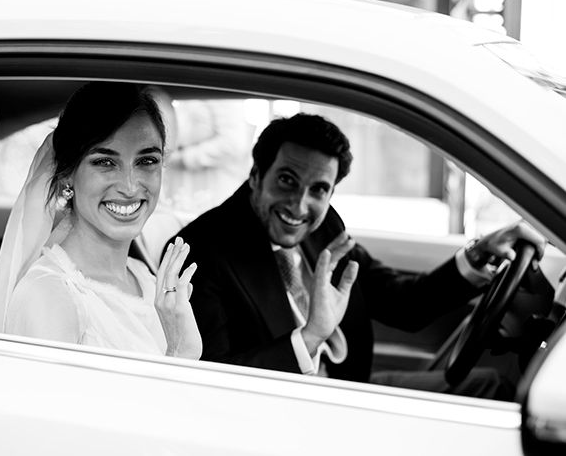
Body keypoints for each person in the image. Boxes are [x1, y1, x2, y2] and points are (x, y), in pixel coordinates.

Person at [170, 113, 550, 398]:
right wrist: (311, 336)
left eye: (318, 189)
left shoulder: (323, 226)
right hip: (292, 418)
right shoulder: (202, 250)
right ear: (256, 175)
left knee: (494, 388)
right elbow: (214, 383)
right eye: (287, 180)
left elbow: (404, 303)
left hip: (348, 389)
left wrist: (479, 252)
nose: (299, 205)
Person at [0, 82, 201, 359]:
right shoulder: (48, 296)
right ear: (66, 175)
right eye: (105, 162)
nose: (130, 186)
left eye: (146, 161)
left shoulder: (143, 276)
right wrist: (181, 352)